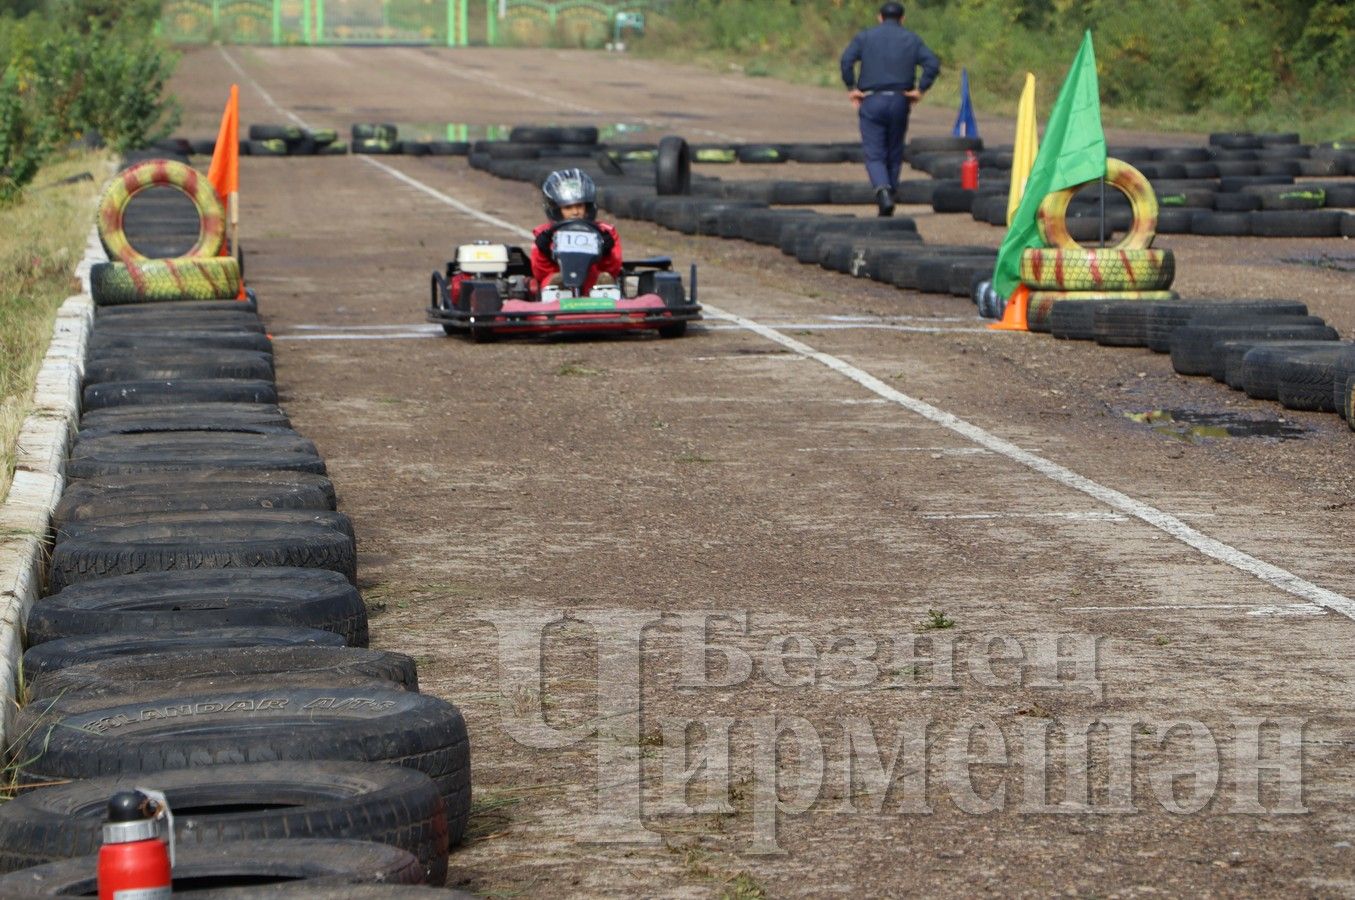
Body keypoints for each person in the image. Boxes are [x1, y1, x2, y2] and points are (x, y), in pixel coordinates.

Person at [840, 2, 941, 217]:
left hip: (872, 100)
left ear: (879, 17)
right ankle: (890, 195)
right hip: (899, 101)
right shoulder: (912, 39)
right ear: (902, 19)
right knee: (894, 152)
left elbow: (846, 61)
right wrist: (920, 90)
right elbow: (932, 63)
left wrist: (852, 87)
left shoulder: (865, 37)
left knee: (875, 153)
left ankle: (883, 192)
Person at [530, 169, 623, 296]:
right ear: (556, 209)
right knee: (555, 280)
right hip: (557, 288)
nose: (575, 212)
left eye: (579, 206)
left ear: (588, 206)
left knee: (604, 279)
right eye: (568, 207)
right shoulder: (544, 235)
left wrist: (606, 253)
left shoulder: (605, 232)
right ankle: (558, 301)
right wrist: (544, 252)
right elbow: (540, 274)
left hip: (594, 285)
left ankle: (606, 309)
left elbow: (613, 270)